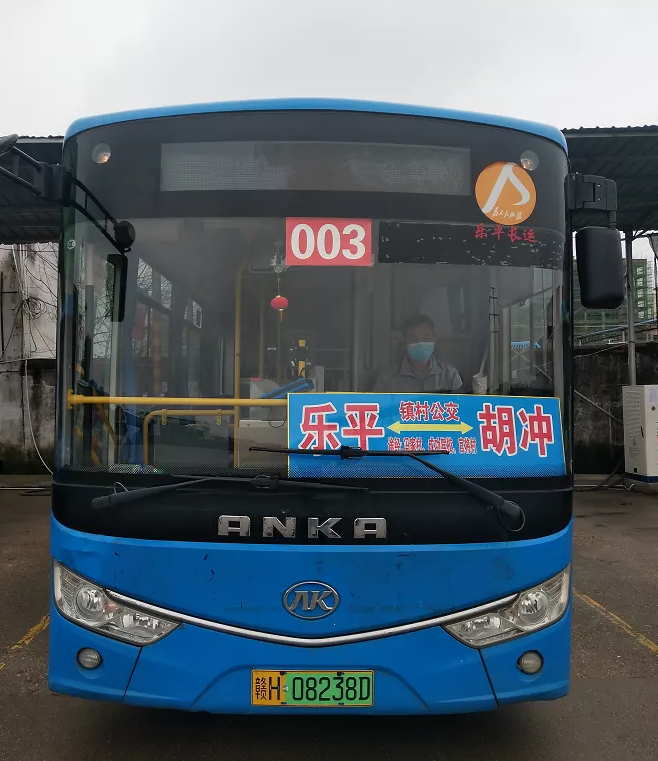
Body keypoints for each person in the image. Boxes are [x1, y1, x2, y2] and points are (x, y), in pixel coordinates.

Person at [373, 314, 463, 393]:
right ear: (404, 341)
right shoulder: (387, 379)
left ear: (435, 339)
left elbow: (463, 405)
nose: (420, 343)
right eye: (414, 338)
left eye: (426, 338)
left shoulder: (450, 376)